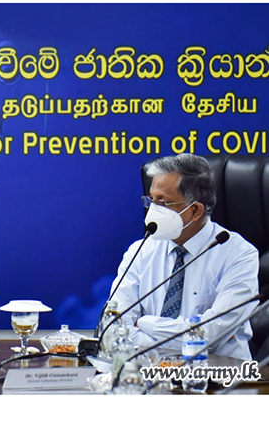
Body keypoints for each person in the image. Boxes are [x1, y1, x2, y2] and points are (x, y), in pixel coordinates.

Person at [108, 153, 259, 360]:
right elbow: (114, 328)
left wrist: (143, 323)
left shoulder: (239, 255)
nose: (153, 210)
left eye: (163, 202)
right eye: (151, 200)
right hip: (147, 372)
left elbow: (211, 335)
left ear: (195, 210)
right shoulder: (140, 251)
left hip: (218, 374)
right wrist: (183, 340)